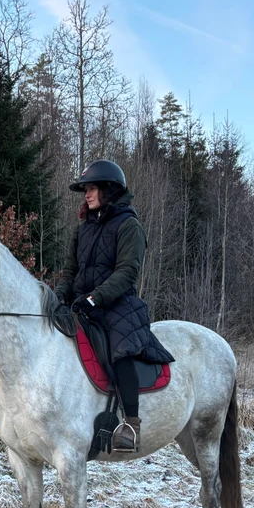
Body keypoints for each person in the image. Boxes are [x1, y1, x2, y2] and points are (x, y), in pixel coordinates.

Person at [54, 160, 171, 454]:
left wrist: (96, 297)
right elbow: (70, 271)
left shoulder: (128, 225)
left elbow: (127, 273)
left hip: (117, 304)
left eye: (92, 188)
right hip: (81, 303)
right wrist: (59, 296)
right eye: (86, 190)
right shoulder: (82, 230)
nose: (87, 194)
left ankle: (131, 424)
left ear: (109, 190)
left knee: (121, 352)